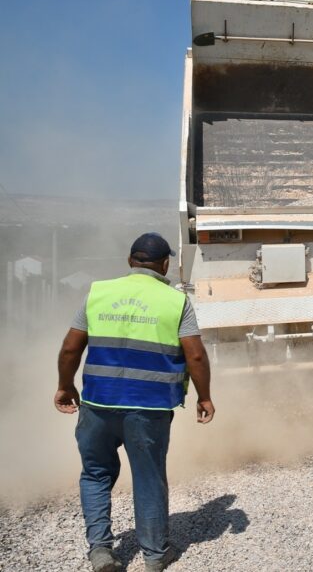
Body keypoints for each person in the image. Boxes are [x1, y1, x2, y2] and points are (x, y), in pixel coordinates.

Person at [54, 232, 215, 572]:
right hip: (149, 409)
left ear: (130, 261)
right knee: (148, 476)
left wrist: (65, 385)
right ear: (165, 264)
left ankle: (101, 552)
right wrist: (204, 396)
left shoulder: (99, 292)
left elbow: (70, 348)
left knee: (96, 474)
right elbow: (196, 356)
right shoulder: (176, 302)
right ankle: (155, 556)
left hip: (98, 404)